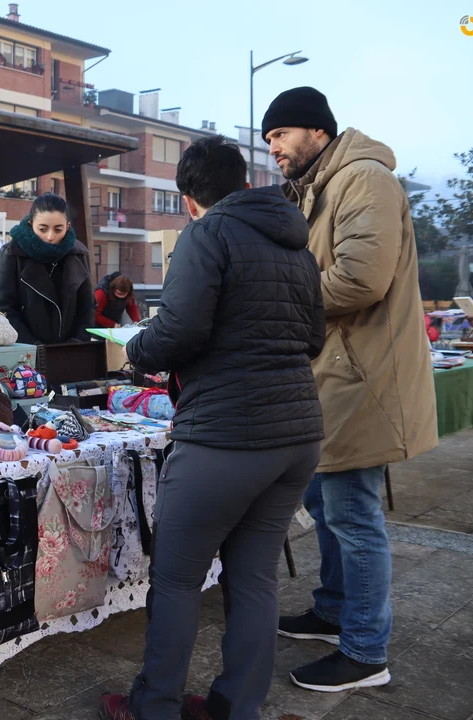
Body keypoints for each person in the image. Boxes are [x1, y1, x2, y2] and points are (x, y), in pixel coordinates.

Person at [99, 136, 325, 720]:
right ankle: (236, 707)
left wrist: (137, 347)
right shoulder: (295, 244)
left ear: (188, 198)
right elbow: (314, 338)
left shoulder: (207, 234)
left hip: (225, 435)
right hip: (296, 434)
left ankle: (154, 706)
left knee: (176, 579)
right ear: (244, 183)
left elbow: (179, 331)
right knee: (254, 578)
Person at [264, 87, 437, 692]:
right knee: (323, 499)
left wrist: (275, 300)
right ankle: (334, 611)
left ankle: (365, 652)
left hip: (363, 374)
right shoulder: (319, 187)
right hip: (335, 371)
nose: (274, 148)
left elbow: (361, 280)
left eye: (280, 135)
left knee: (353, 514)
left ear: (317, 131)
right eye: (268, 139)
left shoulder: (363, 178)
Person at [0, 193, 95, 345]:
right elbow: (3, 307)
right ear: (31, 223)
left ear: (67, 227)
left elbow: (88, 306)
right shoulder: (12, 254)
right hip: (25, 349)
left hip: (70, 350)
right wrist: (33, 346)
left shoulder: (78, 254)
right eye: (42, 229)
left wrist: (76, 342)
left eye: (58, 230)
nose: (50, 237)